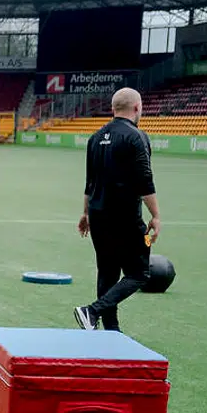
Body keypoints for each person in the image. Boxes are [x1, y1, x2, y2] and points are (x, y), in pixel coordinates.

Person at [75, 88, 160, 332]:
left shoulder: (95, 138)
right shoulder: (137, 137)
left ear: (114, 109)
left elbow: (89, 182)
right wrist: (155, 215)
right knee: (139, 272)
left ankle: (111, 332)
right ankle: (92, 311)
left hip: (99, 216)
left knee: (108, 272)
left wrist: (85, 214)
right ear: (137, 108)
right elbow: (145, 179)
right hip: (126, 218)